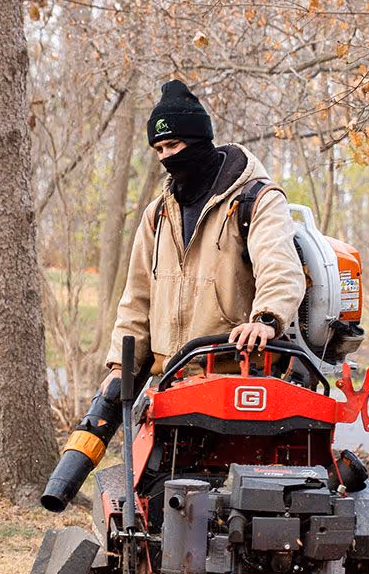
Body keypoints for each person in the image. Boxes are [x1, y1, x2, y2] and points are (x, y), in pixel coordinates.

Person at [104, 80, 306, 386]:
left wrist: (267, 319)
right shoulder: (158, 214)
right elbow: (136, 298)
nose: (165, 157)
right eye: (158, 149)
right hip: (172, 379)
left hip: (235, 373)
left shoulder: (256, 201)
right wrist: (121, 367)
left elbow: (280, 267)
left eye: (173, 145)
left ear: (199, 140)